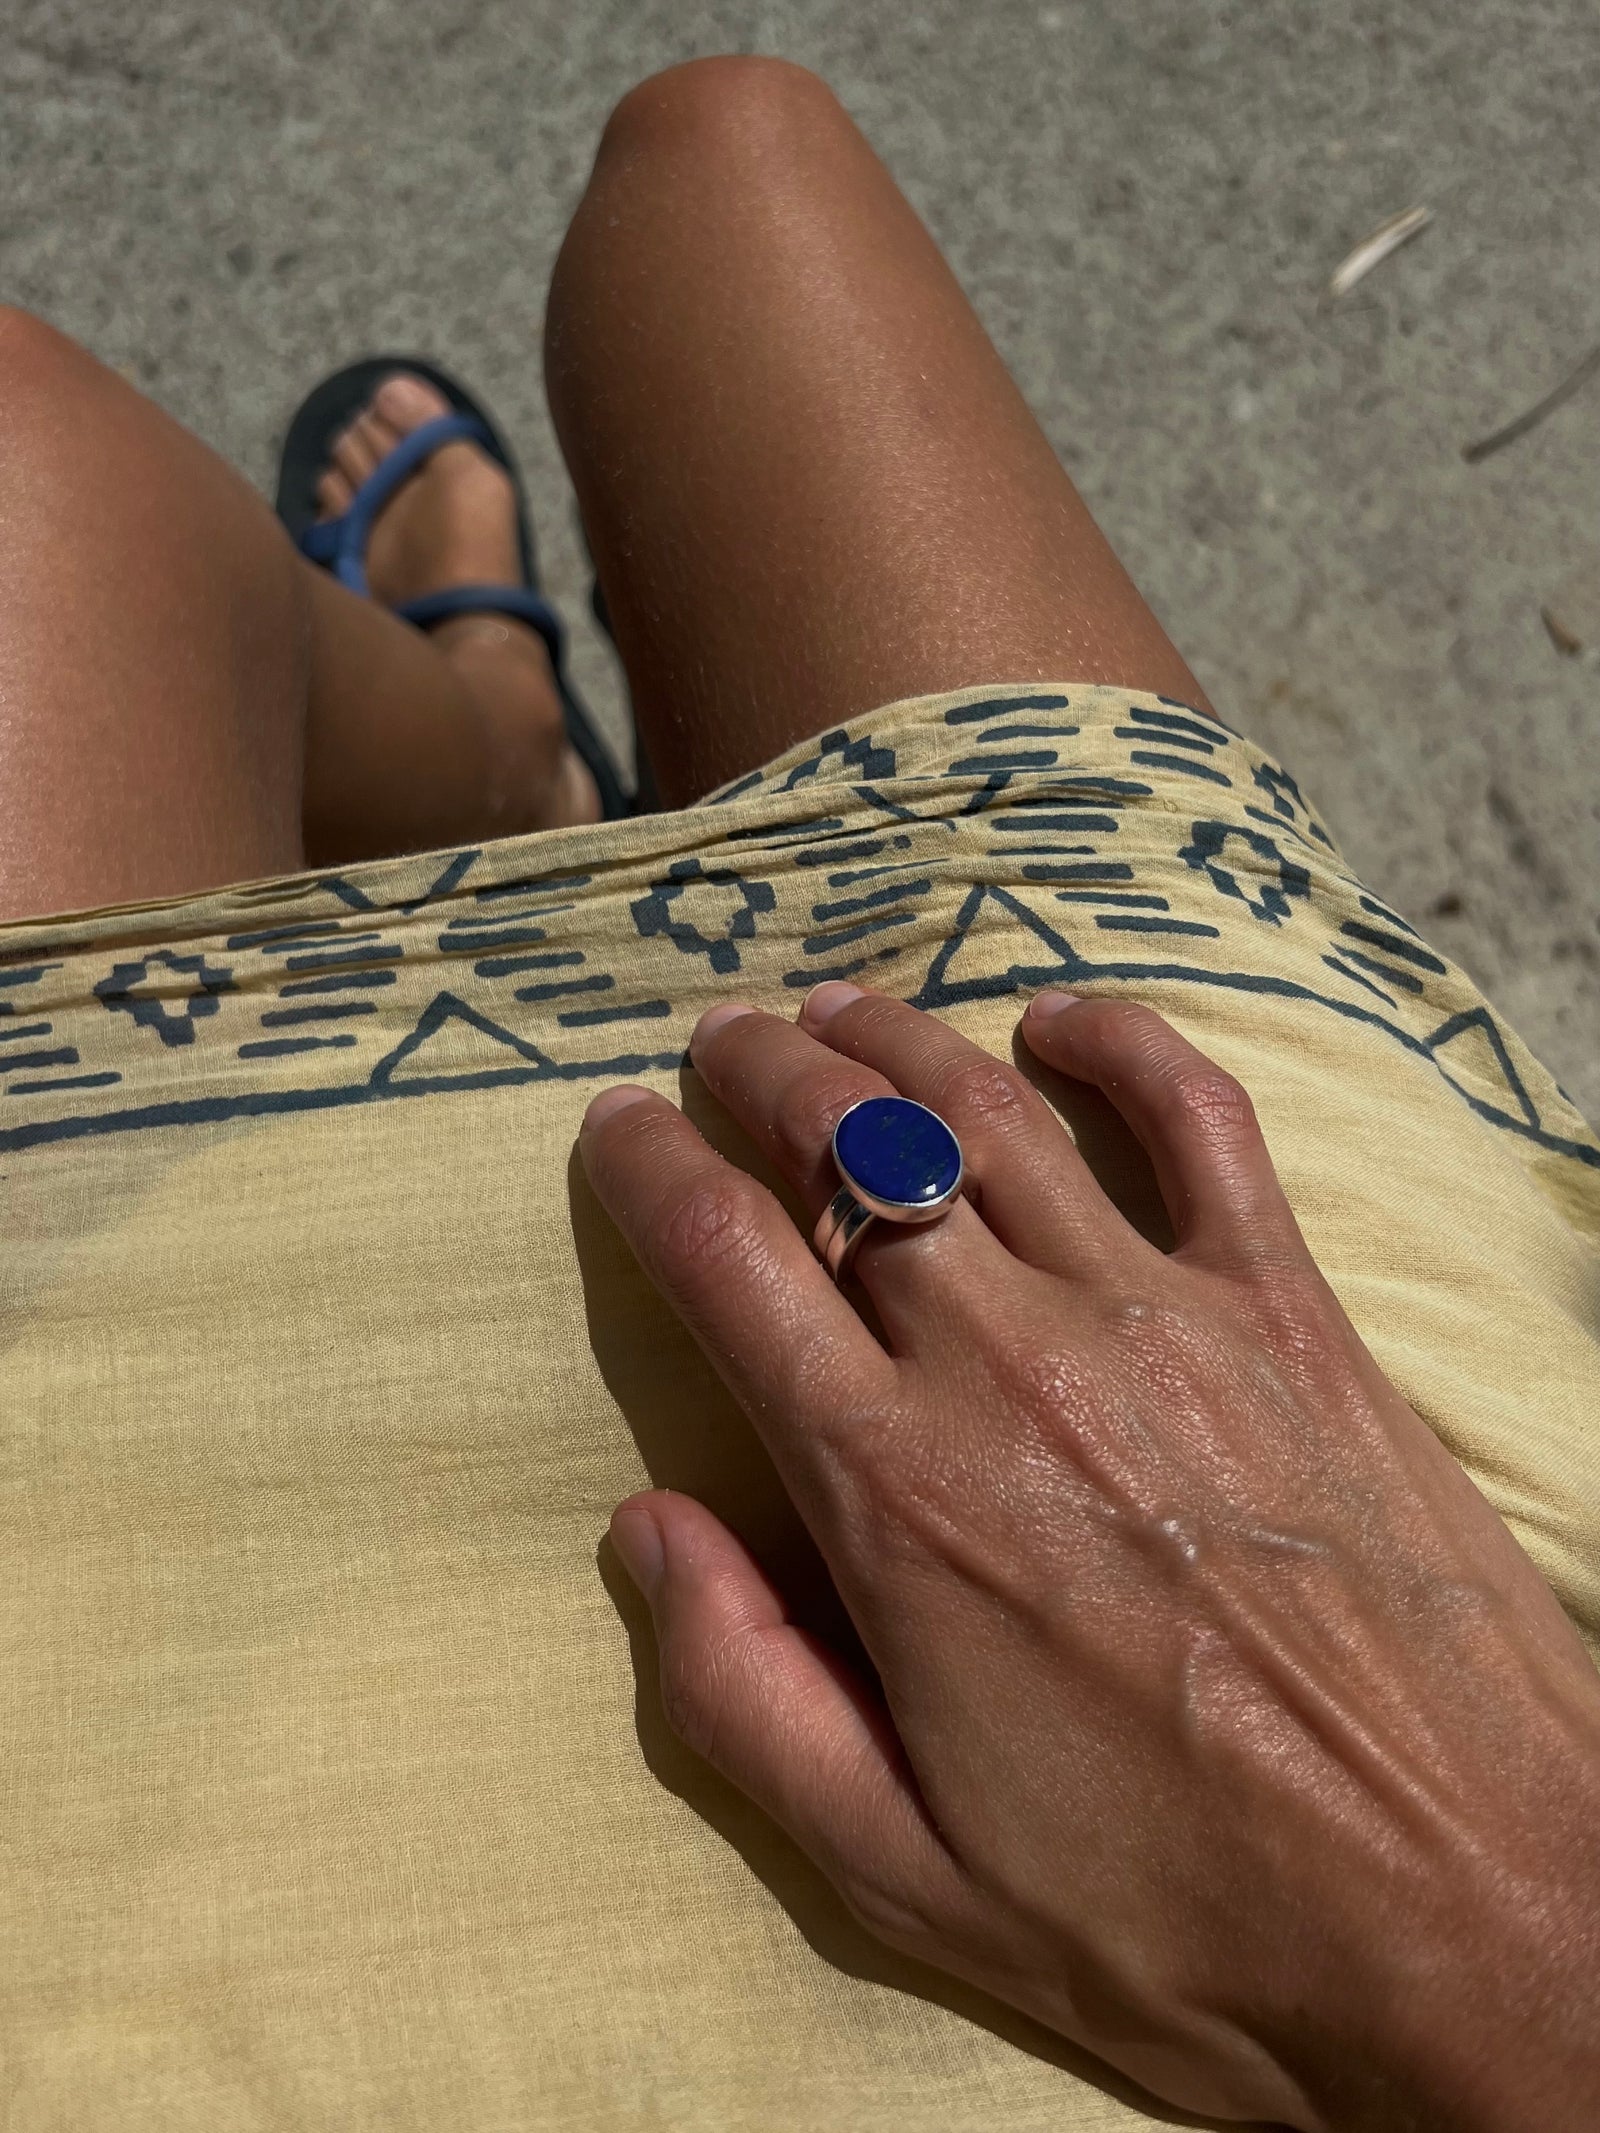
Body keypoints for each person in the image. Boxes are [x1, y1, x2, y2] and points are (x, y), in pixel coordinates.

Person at [1, 55, 1596, 2133]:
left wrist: (1466, 1959)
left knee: (44, 479)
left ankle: (502, 764)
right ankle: (514, 778)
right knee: (725, 161)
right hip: (1463, 1637)